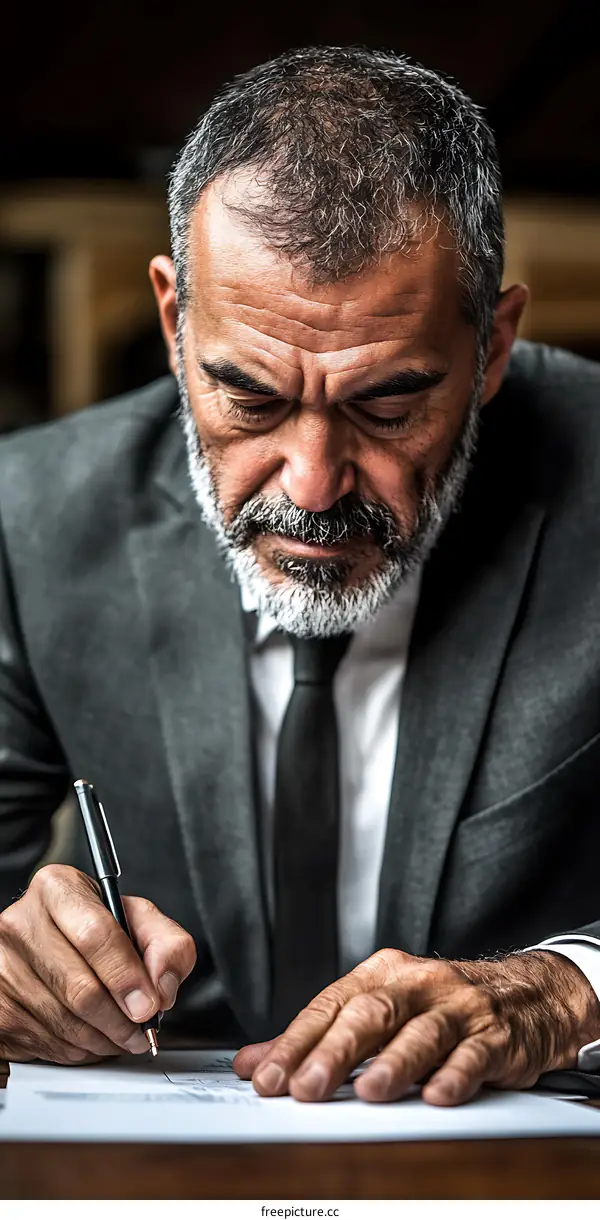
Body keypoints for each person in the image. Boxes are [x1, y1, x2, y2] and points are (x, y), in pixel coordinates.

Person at [1, 45, 600, 1107]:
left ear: (494, 346)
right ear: (176, 322)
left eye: (388, 404)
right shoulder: (32, 519)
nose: (314, 486)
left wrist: (567, 988)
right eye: (251, 396)